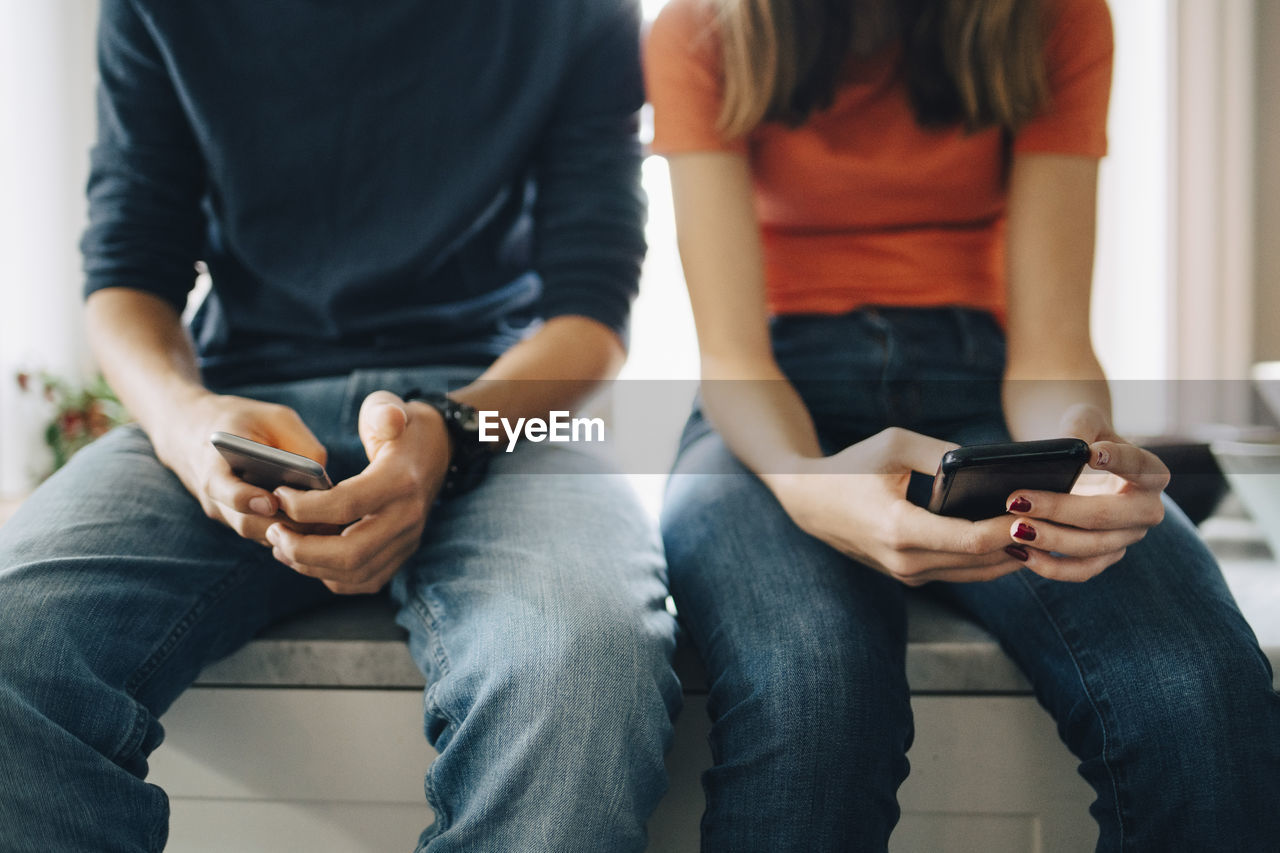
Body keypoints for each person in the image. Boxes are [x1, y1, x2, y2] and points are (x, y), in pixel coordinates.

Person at [0, 1, 680, 851]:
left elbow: (593, 310)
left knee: (581, 667)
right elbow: (127, 272)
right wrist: (187, 424)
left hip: (497, 410)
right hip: (240, 406)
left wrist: (449, 433)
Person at [645, 0, 1280, 850]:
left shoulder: (1057, 19)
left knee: (1202, 695)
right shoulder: (701, 31)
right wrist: (805, 482)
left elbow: (1051, 341)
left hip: (983, 388)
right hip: (771, 411)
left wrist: (1081, 448)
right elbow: (734, 358)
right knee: (813, 695)